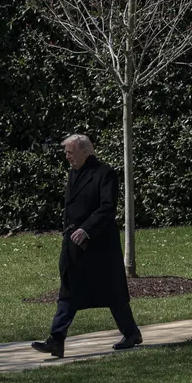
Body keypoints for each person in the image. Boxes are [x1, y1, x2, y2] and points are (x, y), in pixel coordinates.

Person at [31, 134, 143, 358]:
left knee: (113, 293)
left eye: (70, 152)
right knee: (69, 291)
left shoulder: (105, 174)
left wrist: (86, 229)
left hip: (99, 246)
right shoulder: (73, 172)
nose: (67, 157)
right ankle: (56, 339)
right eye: (66, 152)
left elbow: (107, 208)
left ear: (85, 152)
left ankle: (131, 333)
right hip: (74, 246)